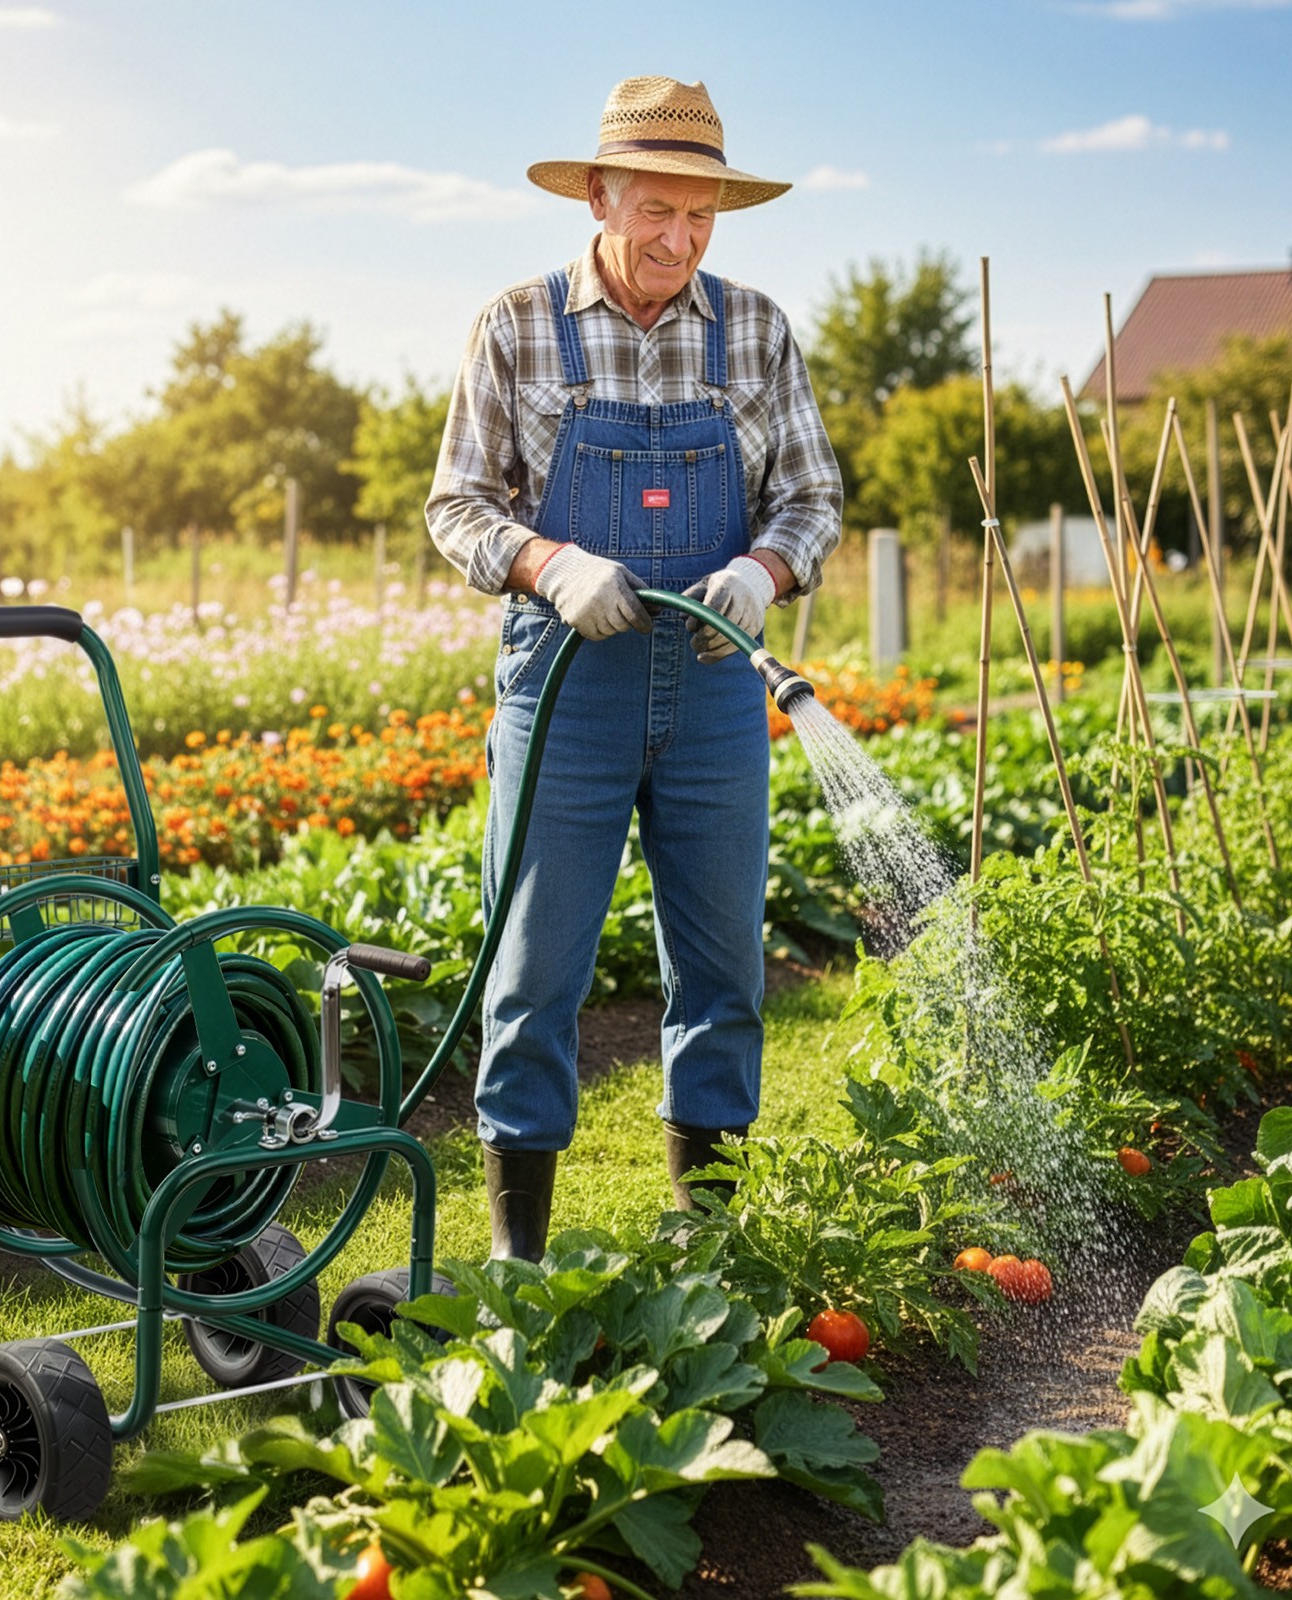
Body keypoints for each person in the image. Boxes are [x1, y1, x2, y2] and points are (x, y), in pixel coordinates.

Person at [425, 76, 842, 1261]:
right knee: (534, 973)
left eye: (701, 216)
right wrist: (549, 562)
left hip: (714, 684)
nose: (678, 239)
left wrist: (765, 570)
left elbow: (811, 495)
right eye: (655, 210)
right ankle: (520, 1259)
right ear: (598, 194)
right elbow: (455, 507)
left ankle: (705, 1251)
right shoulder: (515, 326)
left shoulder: (754, 328)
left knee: (721, 974)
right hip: (568, 687)